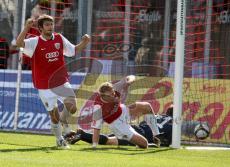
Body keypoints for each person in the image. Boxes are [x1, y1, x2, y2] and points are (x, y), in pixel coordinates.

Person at [15, 14, 91, 149]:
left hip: (61, 81)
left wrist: (84, 42)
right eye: (47, 25)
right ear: (40, 28)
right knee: (53, 117)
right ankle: (59, 139)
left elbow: (73, 50)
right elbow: (19, 43)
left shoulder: (59, 38)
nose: (50, 27)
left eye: (51, 24)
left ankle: (65, 123)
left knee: (72, 107)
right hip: (44, 86)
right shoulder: (34, 42)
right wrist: (26, 28)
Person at [64, 105, 210, 147]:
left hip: (138, 129)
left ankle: (81, 134)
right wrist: (199, 132)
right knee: (110, 141)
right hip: (142, 135)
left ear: (167, 112)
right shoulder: (177, 125)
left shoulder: (158, 116)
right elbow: (193, 127)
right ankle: (82, 134)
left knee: (110, 138)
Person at [89, 75, 161, 149]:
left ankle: (157, 136)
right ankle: (141, 143)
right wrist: (95, 145)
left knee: (147, 106)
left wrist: (128, 83)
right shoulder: (98, 107)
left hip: (123, 110)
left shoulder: (115, 88)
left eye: (113, 93)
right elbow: (96, 128)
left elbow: (131, 76)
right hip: (117, 124)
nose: (114, 95)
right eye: (111, 95)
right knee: (144, 144)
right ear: (103, 96)